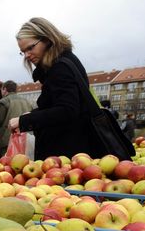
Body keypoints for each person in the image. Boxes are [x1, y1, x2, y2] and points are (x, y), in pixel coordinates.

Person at [7, 17, 98, 160]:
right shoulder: (62, 63)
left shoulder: (60, 68)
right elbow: (59, 104)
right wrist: (31, 114)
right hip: (69, 152)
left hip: (66, 155)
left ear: (47, 39)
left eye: (30, 48)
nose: (27, 55)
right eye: (23, 51)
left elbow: (67, 110)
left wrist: (25, 121)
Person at [0, 80, 33, 158]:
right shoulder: (27, 101)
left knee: (7, 164)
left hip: (8, 141)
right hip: (26, 139)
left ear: (4, 89)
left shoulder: (4, 102)